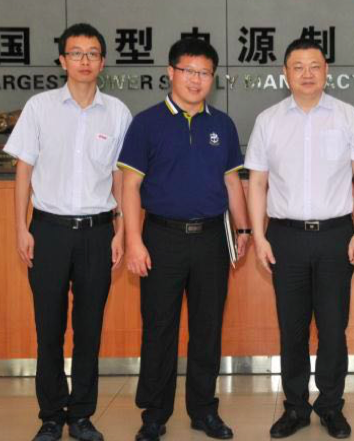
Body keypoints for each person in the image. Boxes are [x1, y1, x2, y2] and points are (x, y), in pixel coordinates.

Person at [117, 38, 250, 441]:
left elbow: (232, 182)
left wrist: (243, 229)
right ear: (170, 72)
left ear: (213, 78)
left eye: (204, 73)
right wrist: (133, 240)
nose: (196, 79)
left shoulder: (222, 125)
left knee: (207, 328)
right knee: (159, 328)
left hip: (212, 238)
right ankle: (154, 414)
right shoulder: (147, 123)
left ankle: (204, 410)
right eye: (188, 71)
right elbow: (129, 186)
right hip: (161, 237)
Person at [4, 23, 132, 441]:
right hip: (48, 231)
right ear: (62, 60)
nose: (84, 61)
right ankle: (50, 414)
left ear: (103, 62)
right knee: (49, 328)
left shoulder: (117, 113)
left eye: (92, 53)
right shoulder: (39, 108)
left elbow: (121, 177)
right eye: (76, 53)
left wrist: (121, 231)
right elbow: (23, 171)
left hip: (98, 232)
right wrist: (21, 227)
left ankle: (81, 415)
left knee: (89, 330)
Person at [245, 38, 354, 439]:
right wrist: (259, 236)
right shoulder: (268, 120)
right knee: (293, 328)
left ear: (326, 71)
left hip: (336, 236)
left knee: (334, 328)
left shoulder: (348, 116)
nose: (307, 74)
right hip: (286, 237)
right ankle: (296, 407)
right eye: (297, 66)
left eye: (314, 66)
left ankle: (331, 405)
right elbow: (257, 182)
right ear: (285, 73)